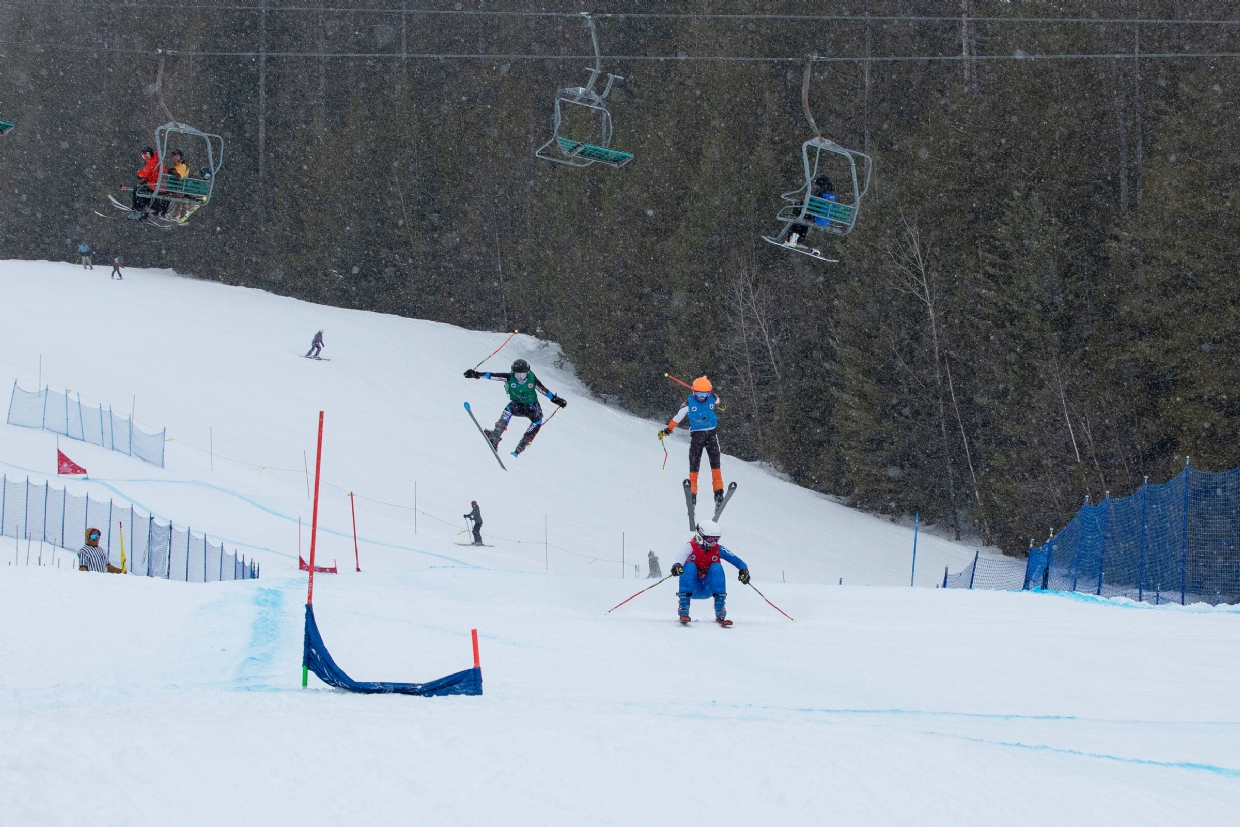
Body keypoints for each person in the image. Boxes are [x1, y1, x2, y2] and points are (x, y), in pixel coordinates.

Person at [464, 358, 567, 457]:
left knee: (538, 420)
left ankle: (521, 445)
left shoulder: (531, 379)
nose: (520, 378)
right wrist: (476, 374)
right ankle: (495, 436)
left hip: (532, 407)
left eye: (523, 375)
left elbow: (542, 389)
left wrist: (555, 399)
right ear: (513, 373)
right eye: (518, 375)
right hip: (517, 405)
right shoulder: (510, 377)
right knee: (508, 410)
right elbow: (493, 375)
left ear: (527, 372)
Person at [658, 376, 726, 508]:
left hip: (711, 434)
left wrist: (722, 406)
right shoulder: (688, 404)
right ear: (694, 392)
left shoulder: (712, 397)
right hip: (697, 437)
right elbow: (677, 418)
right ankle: (693, 496)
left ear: (709, 392)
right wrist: (667, 430)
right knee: (694, 467)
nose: (702, 397)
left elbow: (719, 402)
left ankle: (718, 494)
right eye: (699, 394)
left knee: (716, 465)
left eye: (705, 394)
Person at [669, 519, 748, 625]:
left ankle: (720, 612)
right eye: (710, 539)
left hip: (709, 588)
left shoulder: (717, 549)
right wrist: (677, 566)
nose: (713, 543)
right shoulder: (690, 547)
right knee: (689, 566)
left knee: (716, 567)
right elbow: (680, 557)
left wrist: (743, 570)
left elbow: (736, 560)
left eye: (716, 539)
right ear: (700, 536)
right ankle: (683, 609)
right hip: (692, 588)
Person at [158, 149, 189, 218]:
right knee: (163, 192)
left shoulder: (182, 166)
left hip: (178, 189)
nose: (174, 157)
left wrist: (173, 172)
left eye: (177, 156)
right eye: (173, 156)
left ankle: (162, 211)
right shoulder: (177, 166)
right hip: (174, 188)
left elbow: (179, 177)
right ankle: (161, 211)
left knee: (164, 192)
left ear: (180, 157)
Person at [131, 145, 160, 211]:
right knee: (141, 188)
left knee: (138, 189)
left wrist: (138, 174)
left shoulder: (152, 161)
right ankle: (142, 207)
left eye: (147, 155)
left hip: (154, 184)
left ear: (151, 153)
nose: (146, 157)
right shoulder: (156, 159)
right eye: (144, 156)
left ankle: (138, 207)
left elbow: (146, 172)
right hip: (156, 183)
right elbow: (150, 174)